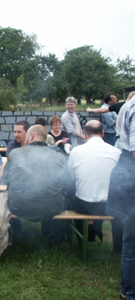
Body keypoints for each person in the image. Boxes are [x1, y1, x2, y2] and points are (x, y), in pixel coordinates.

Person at [4, 125, 72, 247]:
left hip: (19, 207)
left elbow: (6, 180)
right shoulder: (59, 156)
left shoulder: (15, 153)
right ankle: (57, 240)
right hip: (52, 208)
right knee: (64, 199)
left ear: (31, 136)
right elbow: (67, 184)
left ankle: (14, 235)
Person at [68, 120, 121, 243]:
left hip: (84, 206)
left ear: (85, 134)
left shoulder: (76, 151)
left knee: (75, 193)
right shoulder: (116, 152)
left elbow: (72, 177)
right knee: (106, 192)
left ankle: (81, 242)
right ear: (103, 134)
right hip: (109, 206)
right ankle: (117, 247)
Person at [106, 93, 135, 299]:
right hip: (130, 175)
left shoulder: (128, 105)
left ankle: (127, 290)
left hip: (127, 174)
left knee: (132, 240)